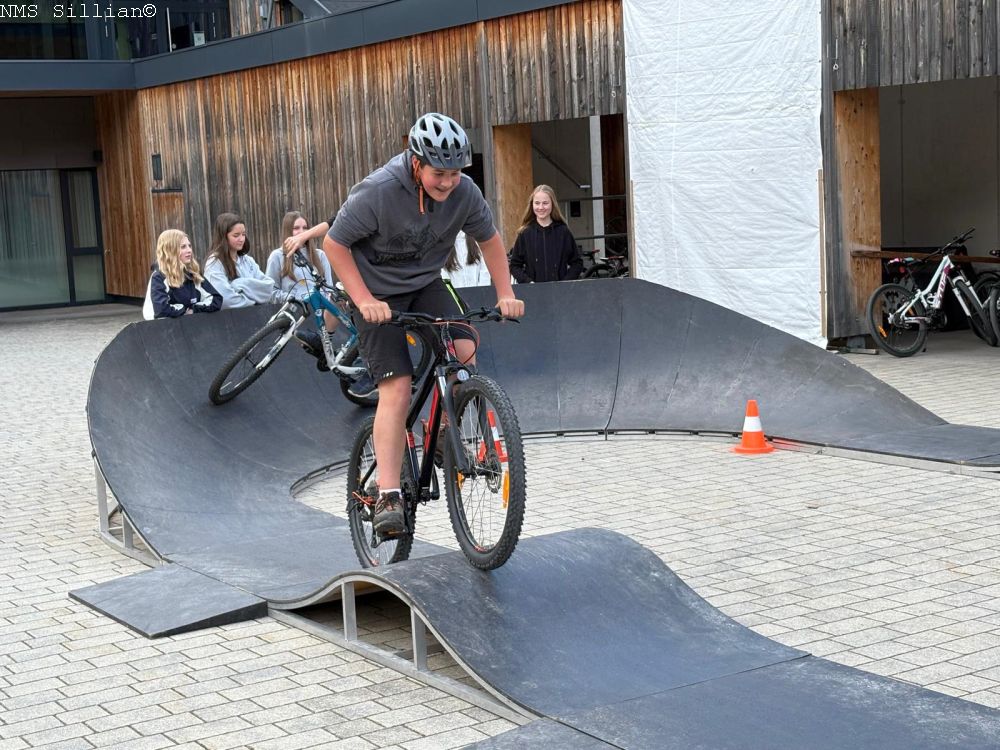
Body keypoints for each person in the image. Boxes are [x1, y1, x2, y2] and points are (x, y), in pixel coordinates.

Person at [323, 112, 525, 536]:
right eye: (439, 173)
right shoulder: (378, 191)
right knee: (397, 387)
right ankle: (389, 494)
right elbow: (334, 244)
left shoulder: (465, 194)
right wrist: (364, 300)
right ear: (416, 163)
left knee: (465, 350)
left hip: (425, 285)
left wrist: (505, 292)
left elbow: (489, 240)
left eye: (455, 173)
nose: (448, 183)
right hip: (375, 295)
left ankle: (445, 428)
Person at [508, 184, 583, 283]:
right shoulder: (525, 234)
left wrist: (564, 283)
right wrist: (528, 282)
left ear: (552, 204)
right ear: (532, 204)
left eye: (545, 203)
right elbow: (514, 265)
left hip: (559, 291)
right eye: (537, 203)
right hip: (533, 290)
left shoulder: (563, 232)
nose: (541, 207)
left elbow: (577, 263)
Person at [203, 212, 279, 309]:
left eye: (243, 234)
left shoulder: (248, 261)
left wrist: (239, 284)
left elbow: (268, 288)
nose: (242, 239)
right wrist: (254, 301)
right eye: (236, 235)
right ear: (223, 237)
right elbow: (225, 300)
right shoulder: (214, 263)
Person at [142, 229, 222, 319]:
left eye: (189, 246)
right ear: (170, 250)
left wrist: (193, 309)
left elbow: (216, 300)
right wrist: (184, 309)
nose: (189, 250)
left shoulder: (193, 274)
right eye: (183, 247)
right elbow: (161, 310)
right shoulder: (159, 277)